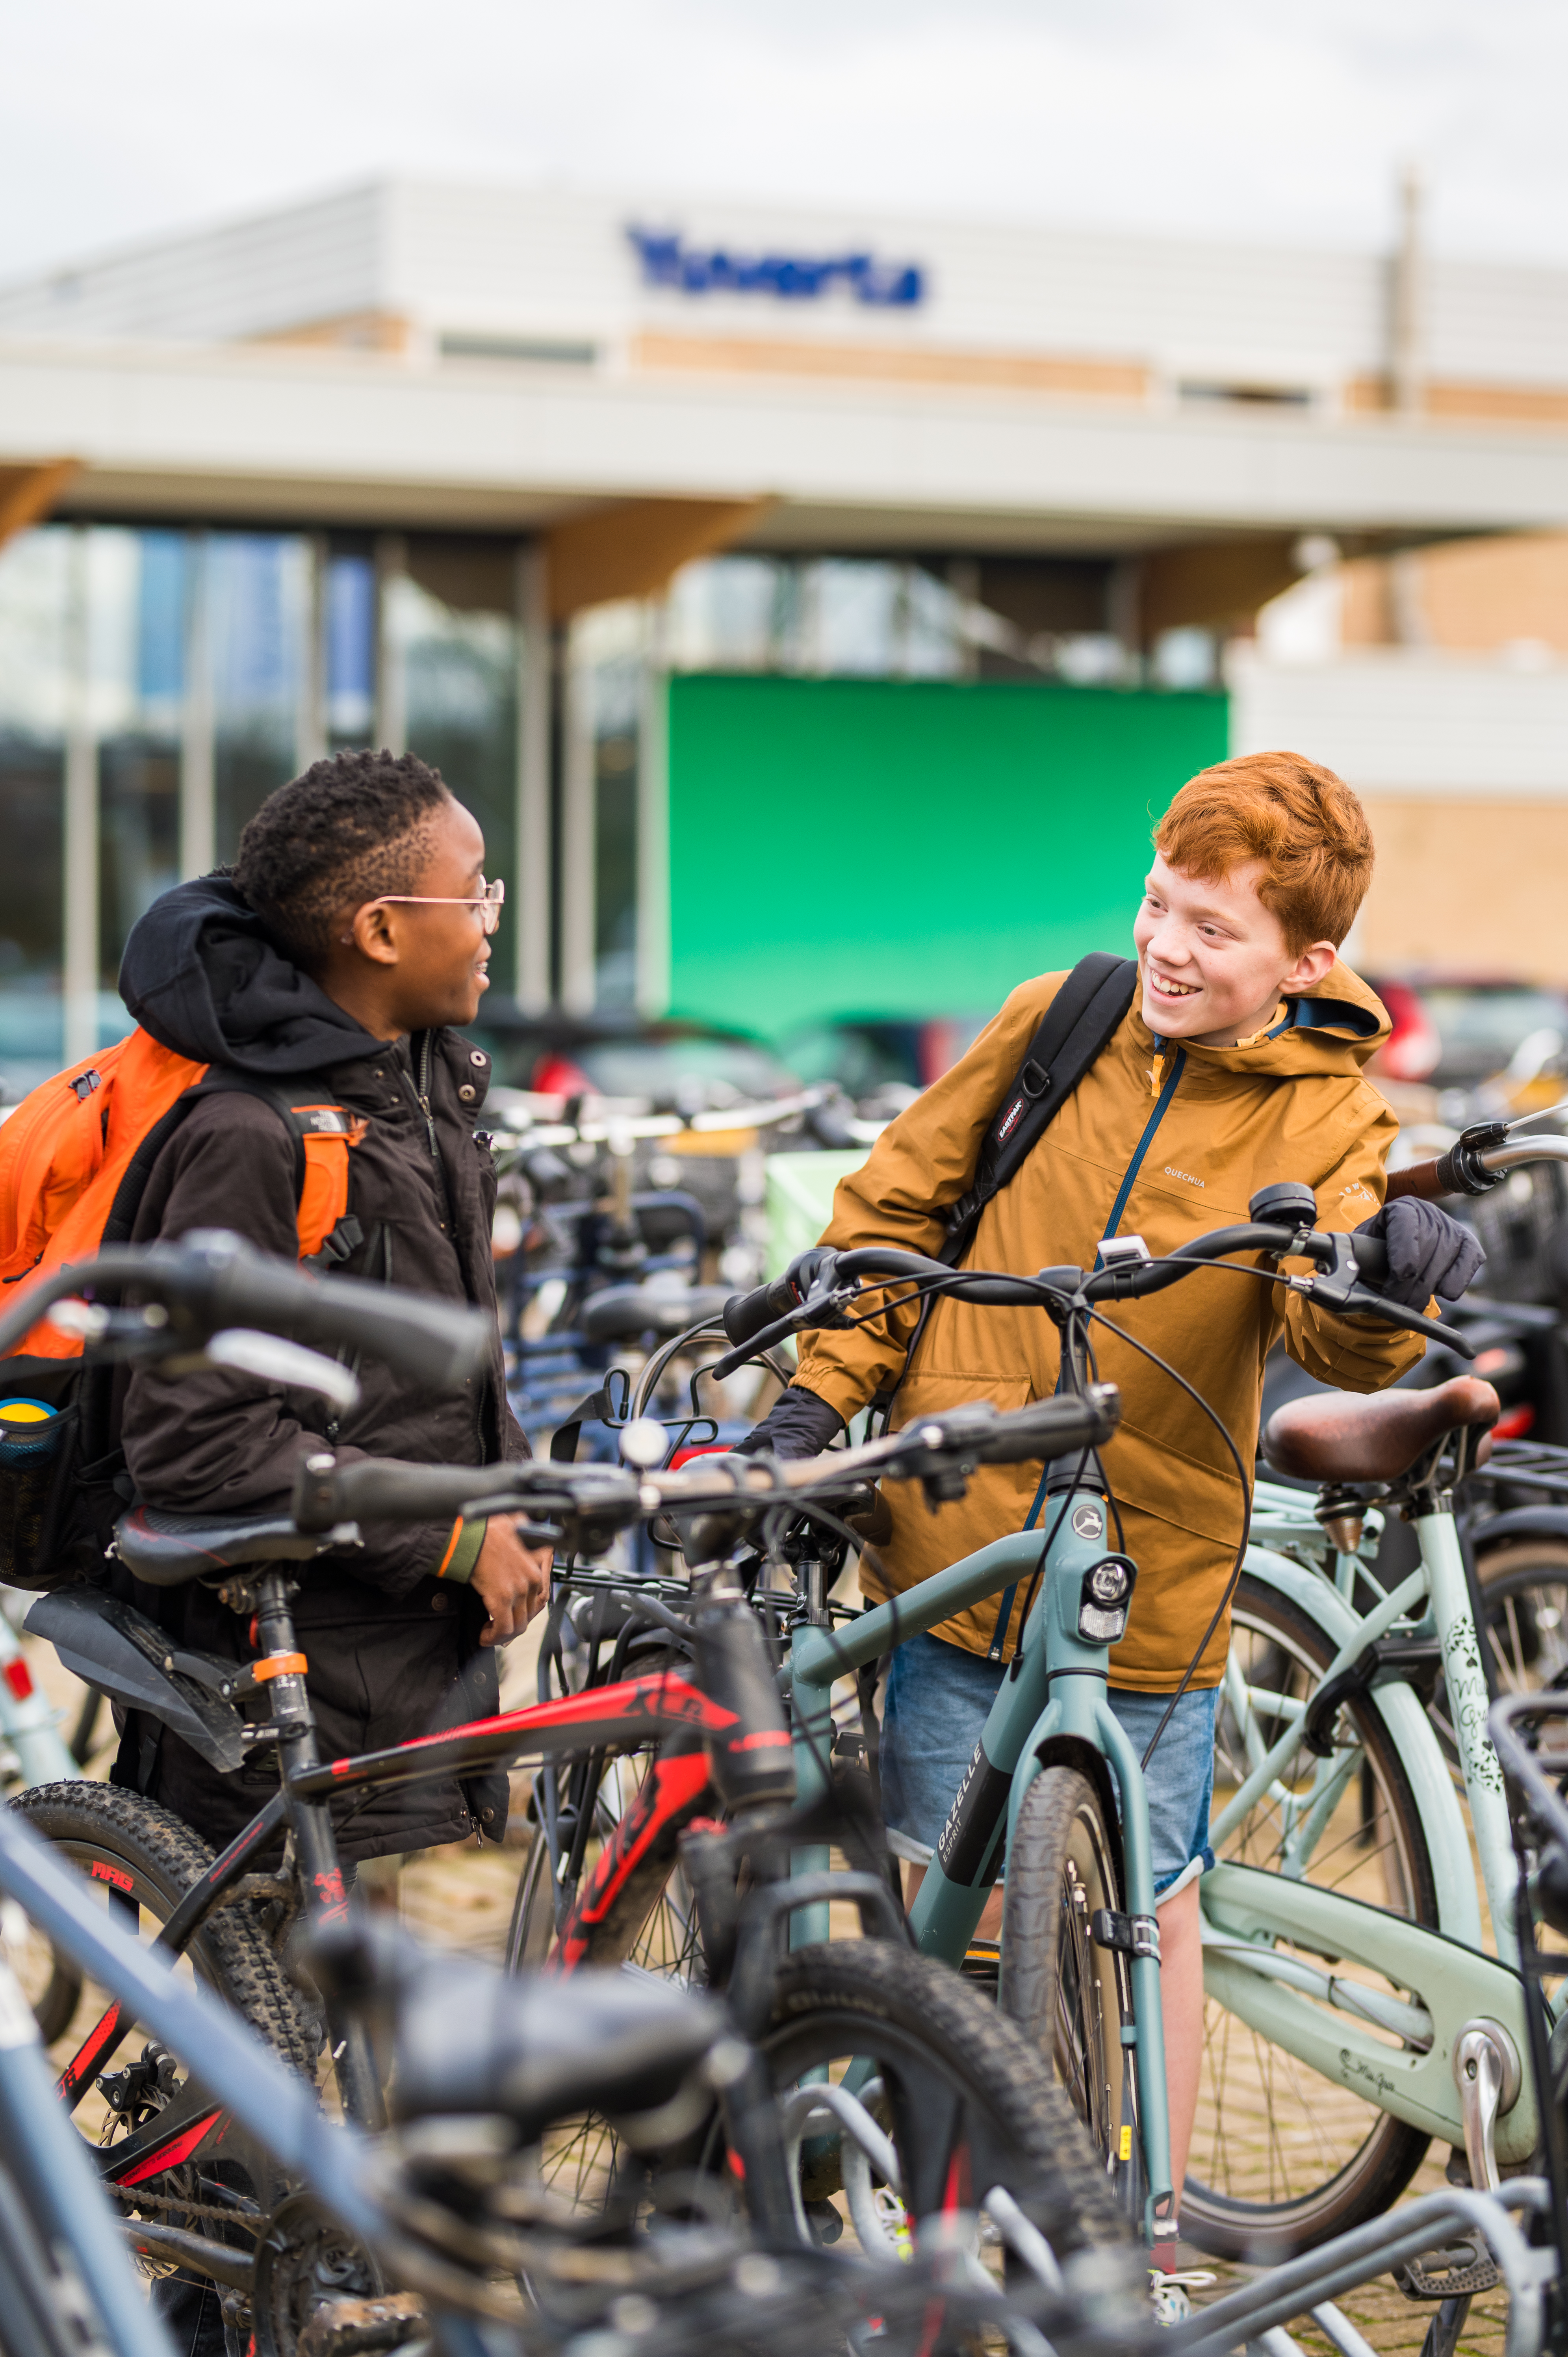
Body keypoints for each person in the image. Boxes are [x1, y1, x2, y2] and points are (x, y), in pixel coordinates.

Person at [739, 750, 1483, 2224]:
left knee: (1150, 1912)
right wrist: (816, 1396)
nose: (1167, 946)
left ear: (1306, 960)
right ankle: (938, 2228)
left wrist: (1393, 1280)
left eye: (1214, 929)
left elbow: (1325, 1317)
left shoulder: (1331, 1117)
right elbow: (901, 1211)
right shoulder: (1058, 1018)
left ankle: (1133, 2243)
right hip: (956, 1545)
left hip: (1147, 1568)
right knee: (949, 1910)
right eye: (1160, 904)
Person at [110, 748, 551, 1870]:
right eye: (476, 887)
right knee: (278, 2038)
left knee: (370, 2033)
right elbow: (198, 1439)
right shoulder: (250, 1135)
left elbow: (425, 1377)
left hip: (396, 1670)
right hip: (277, 1690)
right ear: (383, 929)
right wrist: (453, 1536)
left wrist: (516, 1495)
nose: (492, 916)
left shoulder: (426, 1102)